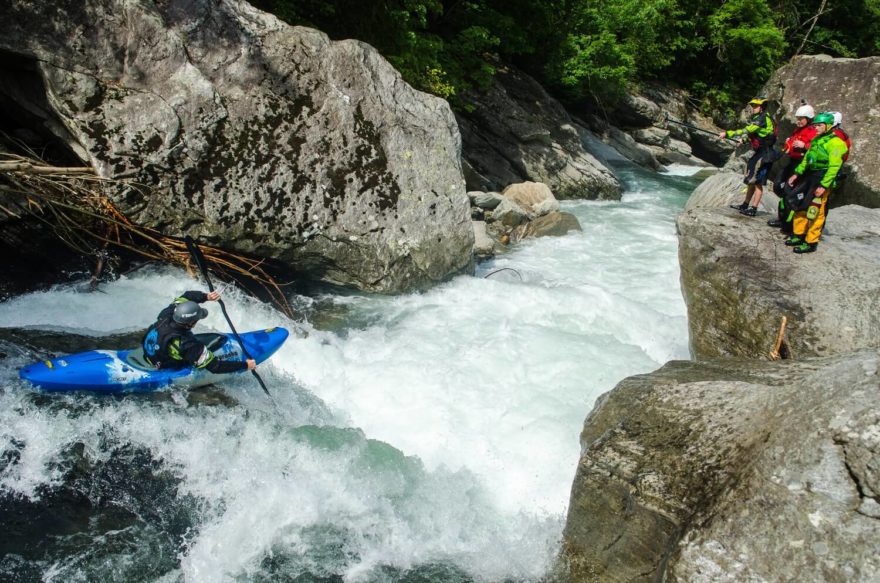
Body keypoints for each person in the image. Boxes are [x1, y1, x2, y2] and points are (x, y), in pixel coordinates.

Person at [142, 290, 256, 372]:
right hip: (166, 365)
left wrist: (207, 296)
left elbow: (187, 296)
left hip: (149, 355)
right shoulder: (187, 344)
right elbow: (215, 367)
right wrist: (245, 365)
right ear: (191, 323)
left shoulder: (167, 314)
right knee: (202, 355)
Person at [784, 112, 849, 254]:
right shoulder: (817, 140)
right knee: (799, 204)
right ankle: (798, 234)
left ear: (829, 126)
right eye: (815, 125)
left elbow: (834, 167)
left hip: (822, 177)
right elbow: (807, 158)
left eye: (819, 125)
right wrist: (797, 173)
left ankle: (811, 241)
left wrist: (824, 185)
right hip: (811, 175)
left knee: (815, 210)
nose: (816, 128)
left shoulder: (836, 143)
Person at [720, 97, 778, 217]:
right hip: (759, 153)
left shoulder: (763, 118)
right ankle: (745, 204)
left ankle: (754, 208)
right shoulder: (759, 118)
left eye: (755, 106)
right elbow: (755, 134)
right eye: (753, 106)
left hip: (765, 154)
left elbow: (748, 129)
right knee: (751, 180)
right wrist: (745, 140)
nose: (753, 108)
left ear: (761, 107)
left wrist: (728, 134)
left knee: (757, 182)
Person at [769, 103, 818, 233]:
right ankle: (783, 218)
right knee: (779, 187)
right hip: (793, 162)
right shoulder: (798, 130)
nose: (798, 121)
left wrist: (804, 145)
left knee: (791, 192)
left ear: (808, 119)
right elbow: (792, 143)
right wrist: (789, 142)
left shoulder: (813, 132)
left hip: (802, 164)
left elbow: (816, 148)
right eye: (798, 118)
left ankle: (790, 223)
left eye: (801, 118)